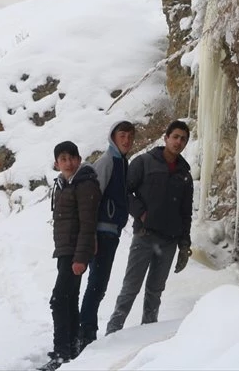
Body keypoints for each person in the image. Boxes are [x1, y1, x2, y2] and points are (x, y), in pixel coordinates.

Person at [105, 120, 193, 334]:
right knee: (130, 288)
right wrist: (141, 213)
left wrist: (184, 245)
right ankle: (112, 332)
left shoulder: (184, 174)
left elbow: (186, 213)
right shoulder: (144, 162)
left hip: (169, 241)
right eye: (175, 137)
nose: (178, 142)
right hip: (145, 236)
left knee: (155, 291)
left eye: (183, 139)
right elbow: (124, 192)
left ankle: (148, 334)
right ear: (166, 138)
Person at [77, 120, 136, 350]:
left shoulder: (122, 162)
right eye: (122, 135)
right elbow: (94, 198)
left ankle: (85, 333)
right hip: (101, 233)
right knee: (96, 286)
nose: (127, 140)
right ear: (113, 137)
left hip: (111, 233)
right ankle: (85, 336)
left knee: (98, 285)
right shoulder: (108, 161)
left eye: (130, 136)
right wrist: (91, 234)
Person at [45, 141, 99, 371]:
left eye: (71, 158)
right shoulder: (62, 184)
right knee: (68, 298)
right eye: (63, 159)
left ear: (78, 159)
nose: (67, 163)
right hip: (64, 250)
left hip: (74, 252)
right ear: (57, 163)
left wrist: (80, 258)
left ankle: (61, 352)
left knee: (58, 300)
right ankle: (71, 346)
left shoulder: (84, 184)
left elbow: (88, 225)